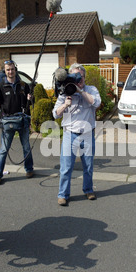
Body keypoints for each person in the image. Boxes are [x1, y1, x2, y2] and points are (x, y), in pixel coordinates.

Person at [52, 63, 101, 206]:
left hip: (87, 134)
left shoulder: (91, 90)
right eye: (75, 77)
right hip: (69, 134)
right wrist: (65, 104)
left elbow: (96, 103)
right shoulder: (64, 92)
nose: (79, 79)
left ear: (84, 77)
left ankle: (88, 189)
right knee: (66, 167)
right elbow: (55, 114)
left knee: (88, 166)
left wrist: (80, 91)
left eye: (81, 76)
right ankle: (63, 194)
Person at [0, 60, 34, 185]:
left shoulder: (24, 85)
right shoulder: (1, 86)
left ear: (15, 69)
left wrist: (30, 99)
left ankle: (29, 169)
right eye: (8, 69)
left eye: (12, 69)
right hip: (8, 122)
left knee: (26, 147)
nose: (10, 71)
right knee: (3, 149)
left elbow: (29, 103)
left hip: (22, 120)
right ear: (5, 71)